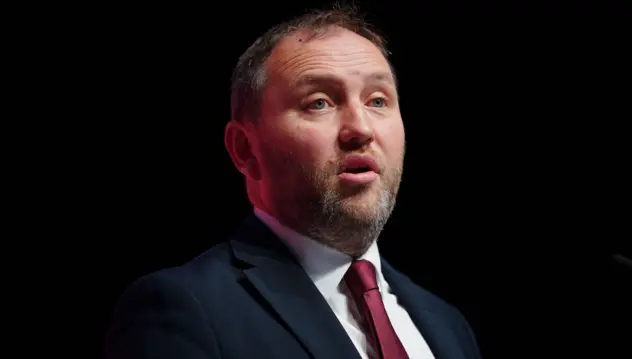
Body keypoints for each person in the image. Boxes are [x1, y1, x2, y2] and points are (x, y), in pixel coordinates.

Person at [104, 6, 481, 359]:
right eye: (319, 102)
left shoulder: (448, 326)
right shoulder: (183, 308)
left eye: (378, 100)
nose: (361, 129)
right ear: (245, 149)